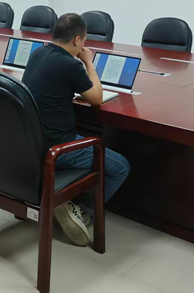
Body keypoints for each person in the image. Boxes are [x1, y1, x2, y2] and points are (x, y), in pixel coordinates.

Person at [22, 13, 130, 247]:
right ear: (77, 40)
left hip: (30, 143)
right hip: (58, 148)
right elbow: (97, 98)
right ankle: (82, 209)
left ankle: (65, 197)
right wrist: (89, 62)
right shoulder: (70, 64)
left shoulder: (38, 53)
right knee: (121, 166)